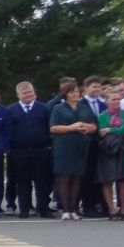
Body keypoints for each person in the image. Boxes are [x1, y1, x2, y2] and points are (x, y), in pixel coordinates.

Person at [0, 82, 53, 218]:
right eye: (24, 93)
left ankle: (43, 208)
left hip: (40, 150)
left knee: (42, 181)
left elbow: (49, 127)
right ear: (18, 95)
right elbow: (7, 130)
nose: (28, 95)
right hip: (18, 152)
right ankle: (25, 209)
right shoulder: (10, 110)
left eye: (30, 92)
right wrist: (8, 148)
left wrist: (49, 145)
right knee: (23, 182)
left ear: (34, 93)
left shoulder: (43, 109)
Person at [47, 77, 95, 220]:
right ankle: (65, 209)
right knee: (64, 178)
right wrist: (71, 127)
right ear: (66, 94)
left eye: (77, 92)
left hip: (80, 145)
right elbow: (53, 127)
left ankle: (73, 209)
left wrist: (87, 128)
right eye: (72, 92)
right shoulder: (58, 108)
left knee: (76, 178)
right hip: (64, 146)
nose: (75, 94)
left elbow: (93, 125)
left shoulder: (85, 108)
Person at [95, 92, 124, 219]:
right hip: (108, 150)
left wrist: (110, 129)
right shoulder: (101, 116)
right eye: (113, 99)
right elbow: (101, 132)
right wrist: (119, 131)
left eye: (118, 99)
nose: (116, 101)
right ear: (107, 101)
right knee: (107, 181)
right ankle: (111, 210)